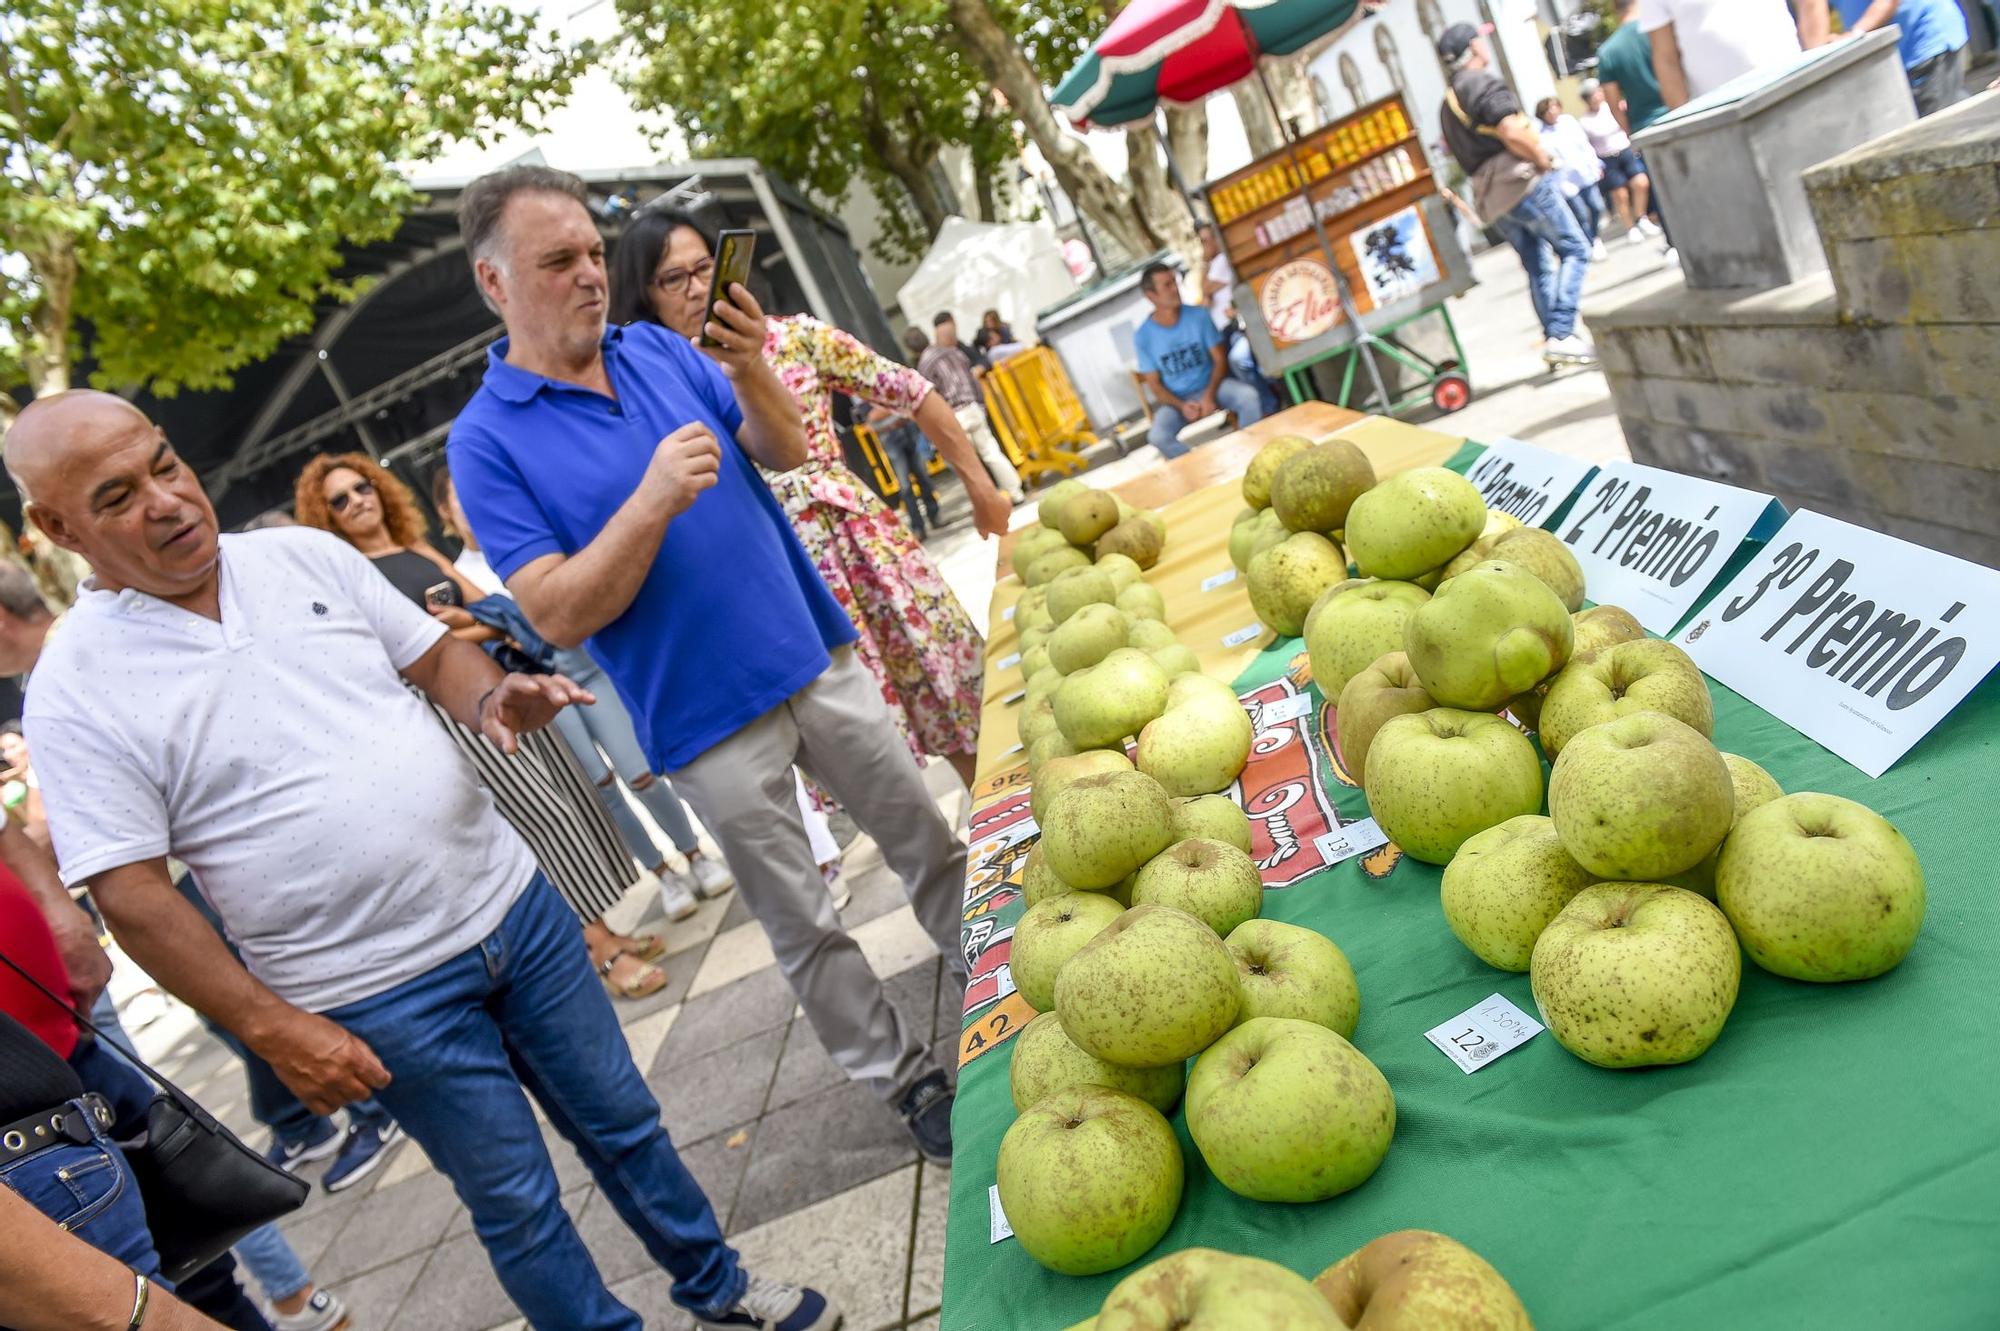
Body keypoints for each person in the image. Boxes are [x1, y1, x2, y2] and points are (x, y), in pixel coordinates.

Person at [11, 389, 835, 1331]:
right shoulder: (76, 685)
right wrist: (276, 1030)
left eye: (164, 463)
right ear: (54, 524)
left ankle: (721, 1288)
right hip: (374, 993)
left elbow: (437, 658)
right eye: (117, 496)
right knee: (518, 1203)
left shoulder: (299, 555)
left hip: (517, 910)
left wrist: (494, 698)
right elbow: (133, 897)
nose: (166, 500)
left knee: (627, 1125)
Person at [443, 165, 969, 1167]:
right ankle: (905, 1079)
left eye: (596, 253)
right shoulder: (484, 440)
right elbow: (552, 609)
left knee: (924, 837)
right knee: (804, 921)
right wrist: (647, 500)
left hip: (807, 651)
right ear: (495, 283)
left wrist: (748, 367)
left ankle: (994, 975)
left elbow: (781, 448)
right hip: (700, 715)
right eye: (560, 261)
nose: (592, 276)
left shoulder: (651, 349)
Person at [607, 210, 997, 790]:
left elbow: (913, 391)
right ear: (644, 298)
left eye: (704, 268)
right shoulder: (650, 391)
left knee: (956, 703)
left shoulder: (792, 338)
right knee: (872, 768)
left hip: (869, 551)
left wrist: (981, 486)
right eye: (673, 279)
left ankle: (1013, 839)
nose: (695, 288)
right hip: (780, 585)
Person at [293, 452, 689, 1000]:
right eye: (339, 499)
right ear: (326, 516)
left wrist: (471, 628)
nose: (357, 500)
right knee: (538, 818)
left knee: (570, 804)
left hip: (504, 686)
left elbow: (492, 608)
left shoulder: (415, 550)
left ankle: (603, 930)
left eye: (362, 487)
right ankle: (597, 948)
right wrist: (476, 631)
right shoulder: (352, 577)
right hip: (455, 712)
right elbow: (408, 650)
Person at [432, 466, 736, 905]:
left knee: (641, 771)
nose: (472, 501)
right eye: (460, 497)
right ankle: (662, 873)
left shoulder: (524, 539)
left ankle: (695, 854)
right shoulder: (459, 573)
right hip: (534, 685)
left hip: (585, 665)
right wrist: (499, 631)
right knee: (600, 786)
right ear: (444, 510)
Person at [1436, 22, 1596, 366]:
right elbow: (1510, 131)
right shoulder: (1480, 83)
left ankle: (1556, 339)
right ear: (1473, 47)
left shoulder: (1447, 103)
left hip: (1491, 196)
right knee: (1576, 248)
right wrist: (1542, 158)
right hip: (1521, 183)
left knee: (1538, 267)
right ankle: (1562, 332)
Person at [1133, 261, 1267, 460]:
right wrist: (1181, 406)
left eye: (1174, 282)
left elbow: (1219, 360)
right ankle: (1199, 465)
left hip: (1212, 386)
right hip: (1176, 401)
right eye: (1167, 286)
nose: (1174, 289)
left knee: (1249, 398)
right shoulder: (1143, 336)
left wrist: (1209, 396)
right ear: (1151, 296)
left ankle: (1251, 456)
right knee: (1158, 436)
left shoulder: (1199, 316)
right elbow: (1155, 385)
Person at [908, 314, 1027, 504]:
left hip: (954, 415)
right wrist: (980, 404)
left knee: (967, 464)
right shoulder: (954, 353)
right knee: (991, 453)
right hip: (972, 407)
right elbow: (974, 382)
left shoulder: (925, 365)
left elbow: (931, 398)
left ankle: (988, 501)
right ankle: (1015, 492)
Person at [1797, 0, 1970, 115]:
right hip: (1886, 59)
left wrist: (1854, 36)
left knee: (1938, 128)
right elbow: (1811, 11)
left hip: (1924, 39)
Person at [1637, 0, 1801, 109]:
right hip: (1720, 113)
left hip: (1793, 85)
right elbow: (1665, 58)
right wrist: (1686, 127)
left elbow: (1810, 5)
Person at [1197, 223, 1281, 417]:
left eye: (1210, 238)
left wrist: (1204, 265)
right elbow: (1205, 296)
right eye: (1203, 241)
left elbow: (1207, 288)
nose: (1207, 244)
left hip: (1236, 326)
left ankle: (1268, 402)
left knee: (1239, 360)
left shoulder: (1222, 261)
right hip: (1221, 330)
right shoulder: (1212, 264)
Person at [1576, 76, 1663, 242]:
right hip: (1607, 158)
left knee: (1641, 182)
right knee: (1620, 195)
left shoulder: (1614, 107)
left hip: (1625, 150)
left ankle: (1641, 217)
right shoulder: (1585, 121)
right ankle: (1630, 227)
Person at [1536, 97, 1610, 260]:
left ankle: (1594, 235)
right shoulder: (1541, 135)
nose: (1552, 112)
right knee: (1581, 214)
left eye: (1554, 107)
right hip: (1564, 180)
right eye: (1548, 110)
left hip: (1583, 172)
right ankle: (1591, 242)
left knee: (1597, 206)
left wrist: (1596, 164)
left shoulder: (1568, 122)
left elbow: (1584, 144)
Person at [859, 399, 942, 539]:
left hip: (910, 431)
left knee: (923, 477)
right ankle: (918, 527)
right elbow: (871, 419)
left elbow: (909, 401)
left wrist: (889, 408)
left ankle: (934, 516)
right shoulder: (865, 393)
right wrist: (896, 406)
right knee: (905, 486)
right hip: (890, 439)